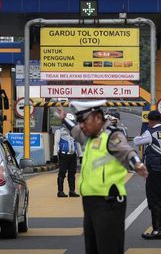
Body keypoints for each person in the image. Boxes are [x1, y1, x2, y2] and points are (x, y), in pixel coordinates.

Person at [57, 100, 148, 254]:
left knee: (108, 248)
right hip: (90, 202)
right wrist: (64, 117)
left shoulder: (112, 135)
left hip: (108, 202)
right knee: (92, 248)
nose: (82, 126)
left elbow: (127, 151)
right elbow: (74, 131)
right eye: (80, 122)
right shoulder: (89, 137)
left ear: (97, 118)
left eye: (84, 121)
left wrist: (137, 164)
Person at [133, 110, 161, 240]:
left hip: (155, 170)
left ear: (150, 121)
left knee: (154, 200)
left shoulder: (151, 132)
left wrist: (144, 132)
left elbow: (136, 141)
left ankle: (157, 230)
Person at [53, 114, 82, 198]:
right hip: (63, 155)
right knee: (62, 173)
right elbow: (56, 143)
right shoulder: (59, 131)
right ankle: (60, 191)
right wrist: (55, 155)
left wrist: (81, 155)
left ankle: (72, 191)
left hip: (73, 155)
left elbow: (78, 143)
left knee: (72, 174)